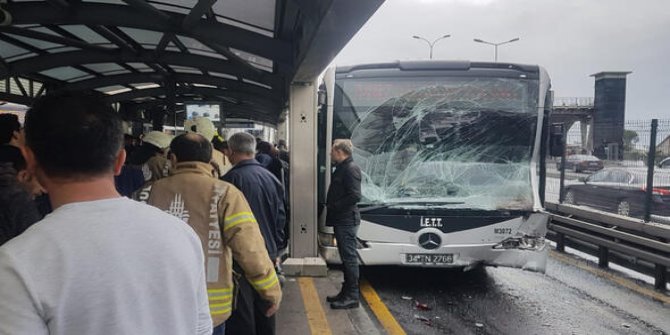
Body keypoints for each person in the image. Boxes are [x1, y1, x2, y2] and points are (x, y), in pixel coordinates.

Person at [0, 92, 212, 335]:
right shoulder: (182, 235)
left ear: (29, 159)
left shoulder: (17, 263)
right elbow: (201, 328)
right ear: (120, 160)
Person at [137, 133, 282, 335]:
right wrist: (270, 290)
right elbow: (250, 248)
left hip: (158, 305)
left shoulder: (146, 193)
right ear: (209, 159)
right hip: (211, 307)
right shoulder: (225, 193)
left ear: (174, 158)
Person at [222, 132, 287, 335]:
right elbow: (281, 218)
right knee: (267, 308)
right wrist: (275, 250)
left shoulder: (228, 181)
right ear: (253, 150)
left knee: (242, 314)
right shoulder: (271, 178)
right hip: (268, 254)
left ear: (230, 152)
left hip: (240, 259)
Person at [325, 139, 362, 309]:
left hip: (346, 220)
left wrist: (335, 206)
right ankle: (345, 292)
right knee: (346, 259)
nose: (330, 154)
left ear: (339, 152)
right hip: (342, 220)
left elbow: (355, 195)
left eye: (332, 151)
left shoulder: (350, 169)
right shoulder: (343, 167)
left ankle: (352, 296)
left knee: (349, 259)